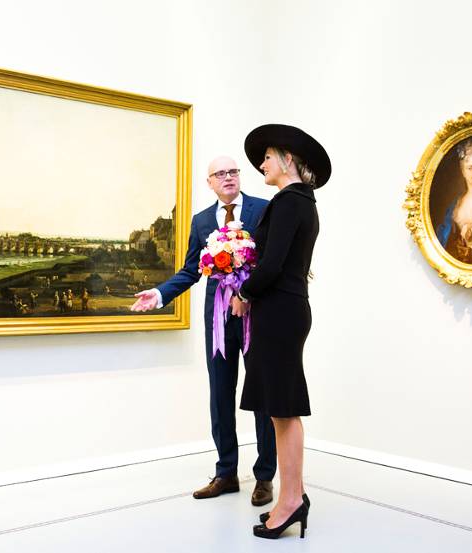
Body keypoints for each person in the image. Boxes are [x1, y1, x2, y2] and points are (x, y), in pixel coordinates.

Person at [131, 156, 276, 506]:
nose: (228, 177)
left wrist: (247, 292)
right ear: (209, 182)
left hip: (257, 312)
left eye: (233, 171)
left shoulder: (264, 209)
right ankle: (226, 473)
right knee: (220, 394)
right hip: (219, 317)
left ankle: (264, 477)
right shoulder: (200, 221)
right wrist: (161, 292)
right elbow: (190, 271)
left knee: (261, 395)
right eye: (220, 174)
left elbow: (273, 261)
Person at [231, 124, 330, 539]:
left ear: (288, 159)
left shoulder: (290, 202)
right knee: (280, 408)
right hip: (284, 310)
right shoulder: (297, 202)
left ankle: (291, 501)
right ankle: (295, 496)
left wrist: (243, 293)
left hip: (280, 312)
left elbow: (270, 266)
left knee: (284, 409)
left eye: (268, 157)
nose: (261, 164)